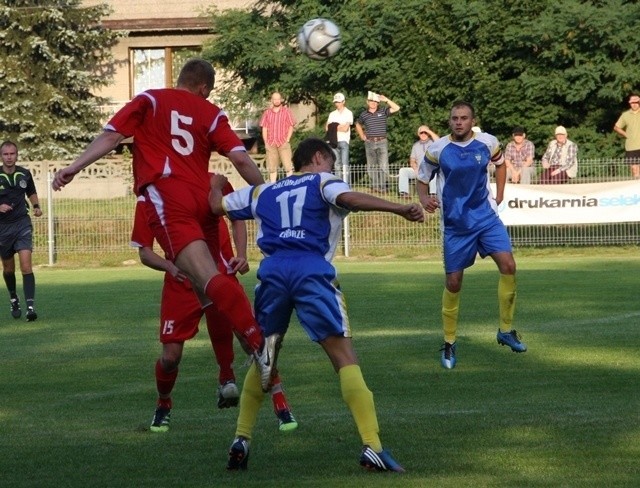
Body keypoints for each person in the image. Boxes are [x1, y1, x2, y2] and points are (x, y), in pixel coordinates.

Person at [51, 58, 273, 389]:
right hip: (203, 199)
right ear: (204, 88)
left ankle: (258, 343)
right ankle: (231, 370)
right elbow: (240, 158)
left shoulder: (149, 100)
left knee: (208, 277)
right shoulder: (212, 114)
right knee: (213, 281)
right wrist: (268, 199)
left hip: (170, 198)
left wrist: (75, 166)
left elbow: (111, 138)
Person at [209, 138, 424, 473]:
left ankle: (242, 438)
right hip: (311, 271)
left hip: (273, 274)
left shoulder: (264, 190)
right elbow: (347, 198)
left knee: (264, 357)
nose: (333, 170)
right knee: (343, 358)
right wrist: (397, 208)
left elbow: (215, 207)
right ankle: (373, 446)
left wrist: (217, 182)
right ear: (320, 156)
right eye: (331, 163)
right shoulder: (323, 180)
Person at [131, 192, 297, 433]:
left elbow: (237, 217)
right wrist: (169, 265)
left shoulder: (210, 182)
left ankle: (280, 405)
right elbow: (144, 251)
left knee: (250, 338)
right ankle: (164, 403)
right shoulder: (149, 197)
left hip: (219, 274)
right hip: (181, 283)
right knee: (170, 357)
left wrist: (240, 254)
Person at [416, 101, 527, 370]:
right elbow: (422, 179)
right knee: (454, 283)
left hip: (486, 219)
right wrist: (424, 199)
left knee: (509, 265)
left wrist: (499, 194)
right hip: (455, 225)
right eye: (454, 118)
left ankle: (506, 330)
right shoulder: (437, 149)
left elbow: (501, 165)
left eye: (464, 118)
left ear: (472, 120)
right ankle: (450, 342)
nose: (458, 122)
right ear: (449, 121)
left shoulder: (488, 143)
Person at [0, 141, 42, 321]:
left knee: (26, 266)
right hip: (2, 228)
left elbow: (31, 191)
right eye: (6, 154)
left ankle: (30, 307)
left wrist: (36, 206)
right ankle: (13, 297)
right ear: (1, 156)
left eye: (12, 154)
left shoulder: (24, 173)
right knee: (8, 269)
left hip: (22, 223)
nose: (9, 157)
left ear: (17, 155)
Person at [355, 91, 400, 193]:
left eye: (375, 101)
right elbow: (357, 124)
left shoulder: (383, 111)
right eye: (371, 101)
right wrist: (362, 136)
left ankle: (383, 187)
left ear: (378, 103)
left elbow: (397, 108)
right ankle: (375, 187)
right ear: (367, 102)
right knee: (371, 166)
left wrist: (386, 100)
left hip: (382, 141)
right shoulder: (364, 114)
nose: (373, 103)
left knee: (383, 165)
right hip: (369, 142)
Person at [260, 92, 296, 183]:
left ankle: (289, 184)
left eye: (278, 99)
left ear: (281, 100)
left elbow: (291, 125)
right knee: (272, 168)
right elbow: (264, 128)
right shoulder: (267, 113)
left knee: (288, 166)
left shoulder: (286, 111)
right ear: (271, 100)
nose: (276, 101)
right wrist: (266, 142)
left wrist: (287, 139)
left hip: (283, 142)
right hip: (271, 143)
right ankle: (273, 186)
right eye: (274, 99)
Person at [399, 125, 439, 197]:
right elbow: (412, 160)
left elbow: (439, 141)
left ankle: (433, 194)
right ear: (418, 134)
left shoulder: (433, 143)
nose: (423, 134)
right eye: (421, 132)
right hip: (419, 170)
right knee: (403, 171)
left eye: (425, 132)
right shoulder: (415, 145)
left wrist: (428, 131)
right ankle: (404, 193)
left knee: (434, 172)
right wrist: (415, 168)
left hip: (431, 169)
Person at [325, 92, 353, 182]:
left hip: (344, 140)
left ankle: (346, 184)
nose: (337, 104)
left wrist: (334, 126)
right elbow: (327, 128)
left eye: (339, 102)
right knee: (336, 164)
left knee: (345, 164)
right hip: (333, 141)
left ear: (343, 102)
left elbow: (345, 129)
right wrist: (339, 126)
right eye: (336, 102)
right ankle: (338, 184)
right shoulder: (332, 114)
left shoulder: (348, 113)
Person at [613, 93, 640, 180]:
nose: (634, 104)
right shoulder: (625, 115)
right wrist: (625, 134)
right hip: (631, 146)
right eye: (632, 102)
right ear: (630, 103)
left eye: (636, 102)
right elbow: (616, 127)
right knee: (635, 170)